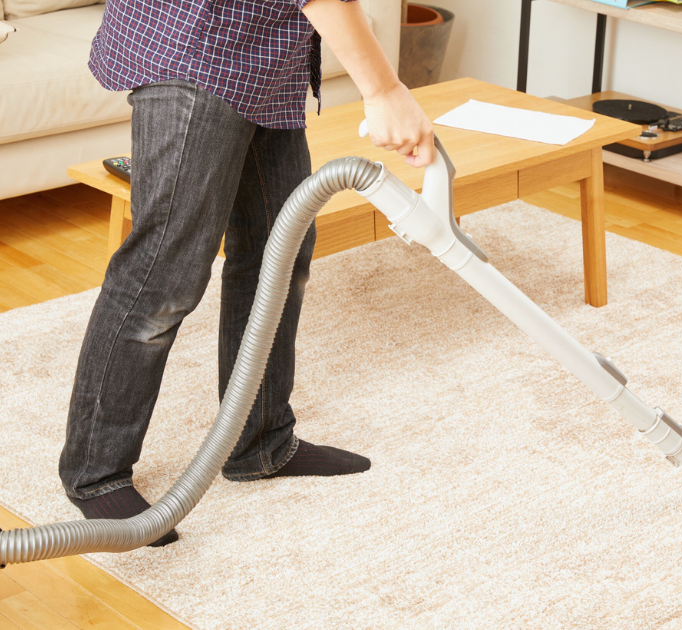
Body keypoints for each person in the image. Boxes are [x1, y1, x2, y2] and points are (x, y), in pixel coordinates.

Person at [58, 0, 434, 547]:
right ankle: (95, 473)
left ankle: (259, 440)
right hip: (198, 46)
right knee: (166, 272)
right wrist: (384, 91)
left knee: (279, 249)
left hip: (264, 58)